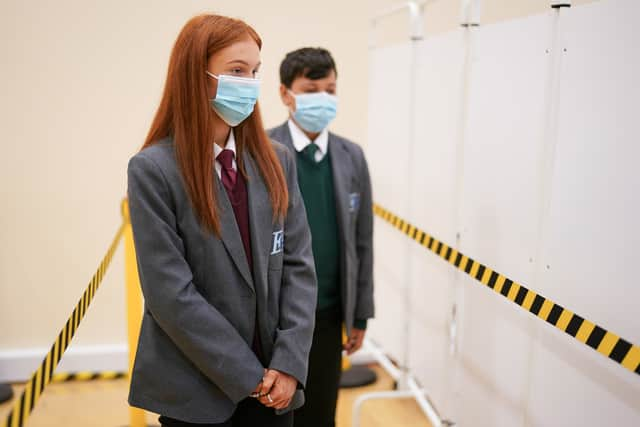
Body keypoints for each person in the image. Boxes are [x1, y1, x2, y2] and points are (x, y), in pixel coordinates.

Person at [126, 15, 317, 427]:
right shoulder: (153, 171)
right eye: (236, 71)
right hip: (197, 394)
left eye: (254, 72)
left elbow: (299, 269)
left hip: (276, 391)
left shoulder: (278, 161)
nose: (249, 83)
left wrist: (288, 364)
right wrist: (250, 377)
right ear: (197, 75)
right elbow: (170, 295)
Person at [268, 47, 374, 427]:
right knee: (277, 414)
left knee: (320, 414)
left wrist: (359, 312)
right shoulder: (263, 151)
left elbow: (362, 242)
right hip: (275, 316)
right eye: (312, 89)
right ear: (286, 94)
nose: (323, 99)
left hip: (329, 314)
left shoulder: (351, 156)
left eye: (330, 90)